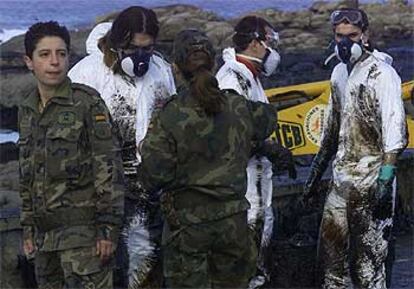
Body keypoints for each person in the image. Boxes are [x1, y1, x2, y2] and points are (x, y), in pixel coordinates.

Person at [138, 28, 284, 288]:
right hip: (234, 224)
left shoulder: (170, 115)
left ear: (175, 68)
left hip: (188, 228)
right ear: (214, 63)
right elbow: (267, 119)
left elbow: (154, 175)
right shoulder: (236, 106)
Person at [68, 6, 176, 288]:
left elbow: (173, 124)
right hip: (101, 194)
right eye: (132, 48)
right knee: (102, 270)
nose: (140, 56)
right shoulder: (86, 74)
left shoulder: (161, 70)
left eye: (147, 48)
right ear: (116, 44)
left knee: (147, 265)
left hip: (152, 191)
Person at [302, 8, 407, 288]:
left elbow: (395, 128)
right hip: (341, 180)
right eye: (339, 36)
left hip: (372, 181)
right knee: (330, 263)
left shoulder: (382, 74)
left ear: (366, 36)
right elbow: (332, 129)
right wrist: (314, 177)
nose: (345, 42)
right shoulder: (338, 73)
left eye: (353, 36)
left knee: (368, 266)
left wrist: (385, 179)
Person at [19, 21, 124, 288]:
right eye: (45, 54)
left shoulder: (88, 103)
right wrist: (28, 228)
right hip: (45, 239)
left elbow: (109, 170)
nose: (54, 62)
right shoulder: (28, 109)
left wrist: (107, 231)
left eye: (61, 54)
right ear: (29, 61)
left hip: (85, 239)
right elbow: (28, 173)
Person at [215, 15, 294, 288]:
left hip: (258, 181)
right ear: (255, 43)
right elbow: (233, 133)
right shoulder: (231, 78)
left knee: (261, 236)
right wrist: (269, 149)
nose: (273, 50)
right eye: (269, 42)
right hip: (242, 182)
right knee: (247, 246)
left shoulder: (250, 75)